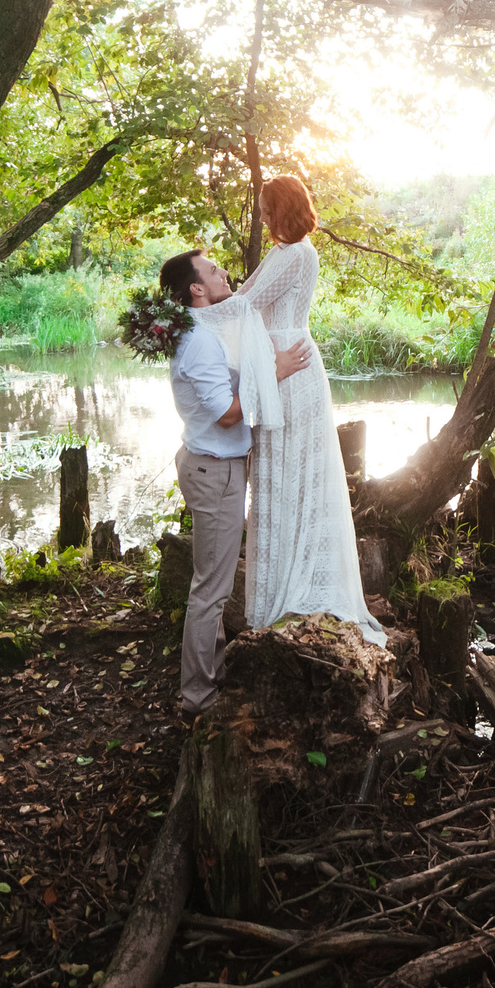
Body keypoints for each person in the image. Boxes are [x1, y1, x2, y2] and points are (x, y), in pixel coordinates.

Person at [226, 177, 390, 650]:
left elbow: (243, 307)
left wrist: (195, 316)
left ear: (283, 210)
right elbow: (245, 297)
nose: (261, 217)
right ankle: (279, 592)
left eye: (266, 209)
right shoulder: (283, 253)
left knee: (294, 472)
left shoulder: (296, 254)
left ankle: (300, 589)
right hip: (280, 363)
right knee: (279, 473)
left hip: (290, 369)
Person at [162, 247, 309, 714]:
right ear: (196, 289)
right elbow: (227, 414)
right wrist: (275, 372)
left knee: (214, 585)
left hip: (215, 468)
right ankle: (199, 697)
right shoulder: (199, 341)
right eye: (212, 270)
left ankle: (213, 675)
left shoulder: (202, 330)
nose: (224, 272)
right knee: (211, 590)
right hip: (214, 472)